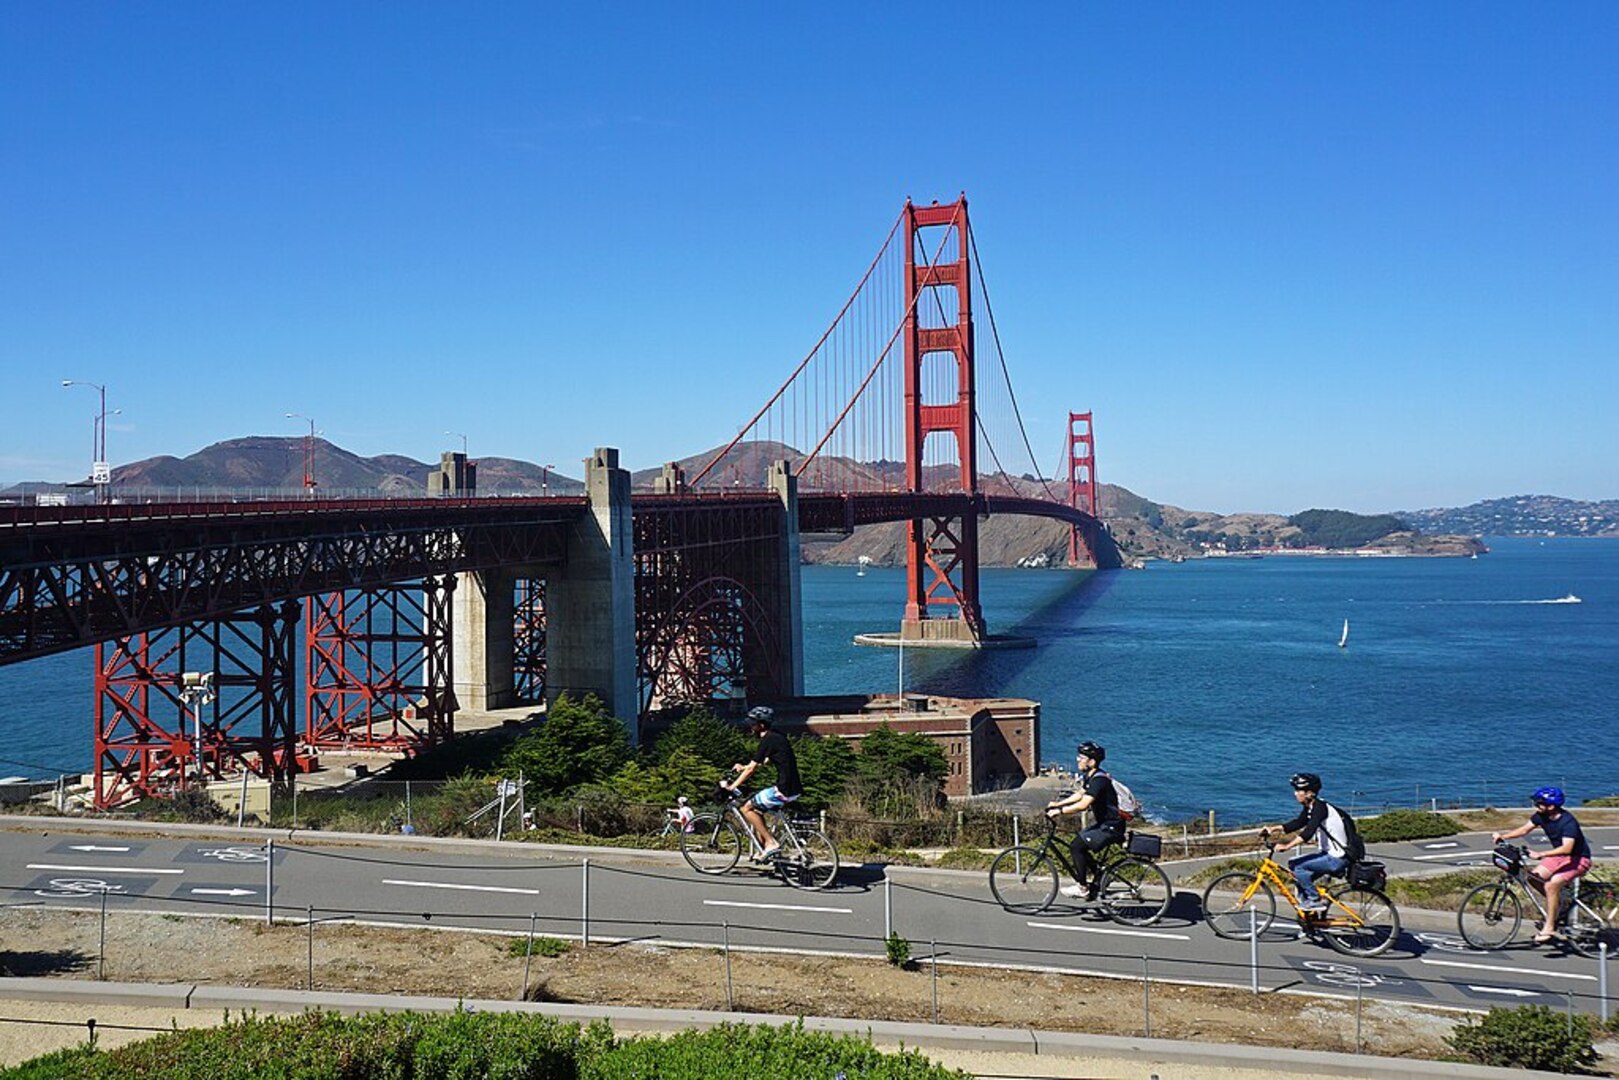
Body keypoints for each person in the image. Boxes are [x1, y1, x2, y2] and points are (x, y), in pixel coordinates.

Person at [1493, 786, 1592, 944]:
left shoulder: (1568, 822)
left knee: (1551, 886)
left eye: (1539, 803)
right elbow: (1525, 829)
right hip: (1559, 856)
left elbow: (1567, 848)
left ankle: (1550, 927)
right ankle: (1558, 907)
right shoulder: (1541, 816)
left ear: (1551, 806)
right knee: (1532, 878)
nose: (1536, 805)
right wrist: (1503, 836)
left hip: (1578, 859)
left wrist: (1541, 854)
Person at [1046, 740, 1123, 901]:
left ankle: (1082, 887)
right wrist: (1058, 803)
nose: (1077, 759)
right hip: (1105, 824)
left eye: (1082, 757)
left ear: (1092, 761)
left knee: (1076, 846)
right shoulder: (1091, 777)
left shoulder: (1099, 780)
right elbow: (1079, 794)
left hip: (1111, 826)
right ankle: (1100, 876)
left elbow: (1083, 804)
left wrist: (1059, 812)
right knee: (1081, 841)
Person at [724, 705, 802, 860]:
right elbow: (762, 761)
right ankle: (765, 850)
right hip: (794, 787)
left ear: (761, 725)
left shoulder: (768, 740)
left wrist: (732, 786)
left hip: (784, 789)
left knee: (746, 808)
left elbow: (752, 769)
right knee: (757, 811)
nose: (750, 727)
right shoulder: (776, 736)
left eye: (753, 723)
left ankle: (771, 842)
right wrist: (743, 767)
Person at [1271, 772, 1353, 914]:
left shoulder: (1320, 808)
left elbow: (1308, 833)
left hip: (1336, 858)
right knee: (1299, 877)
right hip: (1330, 854)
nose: (1295, 794)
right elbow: (1299, 822)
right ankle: (1309, 918)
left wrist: (1286, 846)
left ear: (1309, 793)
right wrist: (1275, 828)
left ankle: (1314, 900)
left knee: (1298, 867)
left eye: (1298, 790)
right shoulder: (1312, 807)